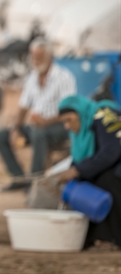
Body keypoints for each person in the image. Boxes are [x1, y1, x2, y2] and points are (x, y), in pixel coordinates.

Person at [0, 37, 76, 191]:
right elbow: (23, 107)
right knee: (0, 136)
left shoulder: (64, 77)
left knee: (39, 133)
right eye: (33, 56)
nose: (35, 60)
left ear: (49, 57)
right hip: (37, 126)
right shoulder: (32, 77)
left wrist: (47, 121)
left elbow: (69, 111)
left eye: (39, 56)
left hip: (59, 127)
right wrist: (16, 128)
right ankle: (19, 178)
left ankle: (34, 183)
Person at [57, 95, 121, 249]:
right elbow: (81, 159)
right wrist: (75, 171)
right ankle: (92, 236)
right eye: (63, 122)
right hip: (111, 165)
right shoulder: (83, 127)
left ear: (80, 112)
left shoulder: (105, 114)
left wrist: (78, 170)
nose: (67, 126)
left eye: (69, 120)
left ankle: (113, 237)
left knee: (106, 179)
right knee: (83, 183)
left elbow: (111, 152)